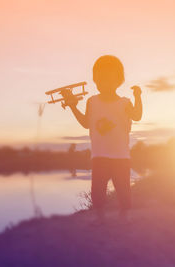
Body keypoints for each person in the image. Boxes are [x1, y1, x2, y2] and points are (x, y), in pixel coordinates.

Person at [62, 55, 142, 224]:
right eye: (100, 79)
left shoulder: (124, 103)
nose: (104, 83)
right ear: (95, 80)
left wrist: (137, 96)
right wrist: (72, 106)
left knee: (124, 191)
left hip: (121, 157)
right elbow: (85, 123)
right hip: (99, 157)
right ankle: (100, 218)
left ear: (118, 81)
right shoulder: (92, 102)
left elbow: (137, 115)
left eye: (109, 79)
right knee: (97, 192)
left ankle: (124, 217)